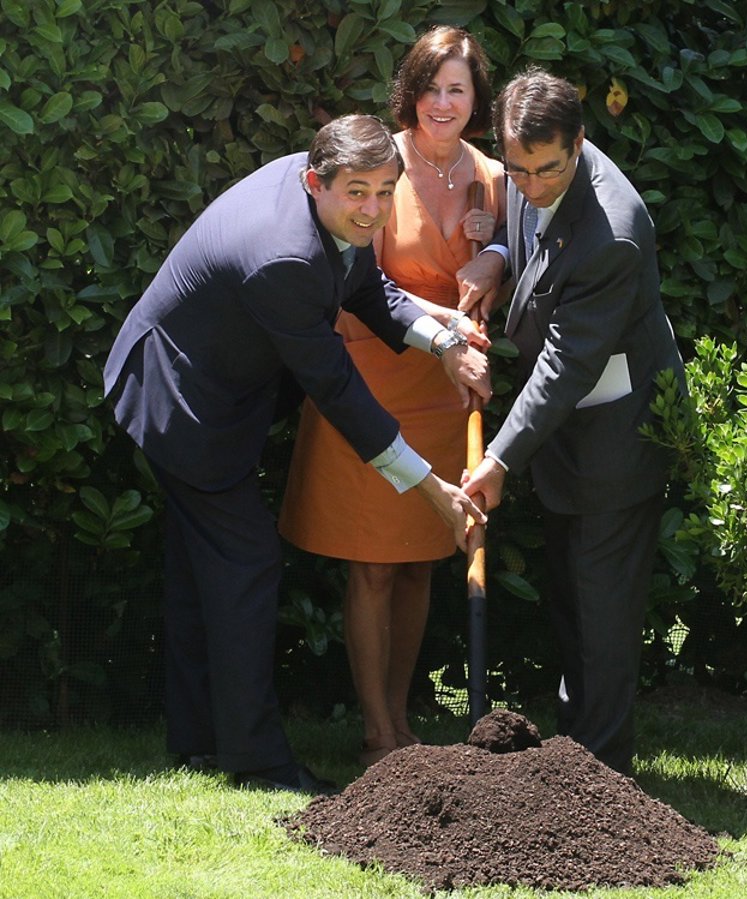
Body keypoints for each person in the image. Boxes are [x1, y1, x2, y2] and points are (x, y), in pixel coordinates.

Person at [103, 114, 491, 794]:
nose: (373, 210)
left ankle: (199, 740)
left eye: (384, 192)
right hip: (180, 401)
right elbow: (337, 389)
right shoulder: (285, 256)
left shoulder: (331, 202)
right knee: (245, 562)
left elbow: (368, 289)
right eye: (357, 194)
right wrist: (430, 486)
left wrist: (445, 339)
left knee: (205, 572)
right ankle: (257, 760)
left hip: (215, 394)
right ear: (317, 182)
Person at [278, 27, 504, 767]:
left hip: (444, 392)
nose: (443, 103)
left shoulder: (492, 177)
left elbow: (518, 255)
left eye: (457, 89)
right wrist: (449, 331)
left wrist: (498, 258)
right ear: (411, 90)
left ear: (475, 98)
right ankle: (377, 734)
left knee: (417, 560)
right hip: (370, 378)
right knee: (372, 563)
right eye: (432, 87)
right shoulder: (383, 164)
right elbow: (365, 288)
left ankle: (403, 724)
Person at [458, 69, 686, 774]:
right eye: (517, 170)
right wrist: (497, 257)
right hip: (567, 433)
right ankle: (575, 761)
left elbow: (566, 365)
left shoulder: (613, 234)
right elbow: (523, 231)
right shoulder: (530, 167)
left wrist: (497, 459)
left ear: (579, 144)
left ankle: (603, 778)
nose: (530, 185)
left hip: (615, 436)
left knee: (601, 614)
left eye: (547, 170)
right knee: (571, 599)